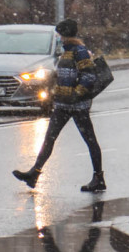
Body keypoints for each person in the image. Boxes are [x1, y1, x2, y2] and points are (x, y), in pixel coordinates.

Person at [13, 19, 105, 193]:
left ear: (64, 34)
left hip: (78, 106)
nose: (58, 38)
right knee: (50, 138)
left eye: (59, 34)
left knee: (90, 141)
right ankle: (34, 173)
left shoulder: (79, 51)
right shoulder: (67, 51)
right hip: (63, 104)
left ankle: (99, 178)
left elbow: (89, 76)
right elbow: (65, 75)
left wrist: (75, 94)